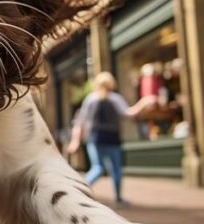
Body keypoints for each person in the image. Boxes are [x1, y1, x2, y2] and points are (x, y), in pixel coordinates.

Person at [67, 72, 156, 204]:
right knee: (116, 170)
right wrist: (143, 102)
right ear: (112, 84)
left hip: (95, 138)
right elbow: (128, 113)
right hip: (111, 138)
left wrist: (75, 141)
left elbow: (80, 121)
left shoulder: (91, 99)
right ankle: (118, 198)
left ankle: (77, 192)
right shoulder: (115, 98)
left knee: (97, 168)